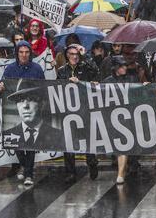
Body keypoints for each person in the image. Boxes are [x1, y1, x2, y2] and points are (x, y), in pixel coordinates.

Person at [0, 40, 45, 186]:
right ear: (17, 53)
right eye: (21, 52)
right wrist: (0, 88)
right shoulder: (10, 69)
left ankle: (29, 174)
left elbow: (43, 88)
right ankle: (25, 167)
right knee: (17, 144)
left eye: (26, 52)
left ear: (30, 53)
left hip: (32, 111)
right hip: (13, 112)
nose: (24, 55)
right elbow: (4, 90)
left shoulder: (37, 69)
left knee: (30, 144)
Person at [56, 44, 100, 181]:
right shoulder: (62, 71)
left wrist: (85, 54)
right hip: (68, 110)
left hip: (85, 108)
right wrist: (67, 82)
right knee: (68, 141)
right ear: (66, 55)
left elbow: (96, 72)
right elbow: (57, 87)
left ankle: (92, 163)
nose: (74, 56)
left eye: (76, 54)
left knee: (88, 139)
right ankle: (70, 172)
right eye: (71, 54)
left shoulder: (85, 67)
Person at [102, 55, 143, 184]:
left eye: (125, 65)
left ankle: (121, 174)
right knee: (120, 147)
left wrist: (145, 86)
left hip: (129, 118)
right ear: (115, 68)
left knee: (123, 147)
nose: (125, 67)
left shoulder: (132, 78)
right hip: (113, 118)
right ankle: (123, 170)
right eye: (122, 66)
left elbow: (139, 92)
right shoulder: (107, 82)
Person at [2, 79, 64, 150]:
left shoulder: (58, 136)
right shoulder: (6, 135)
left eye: (31, 99)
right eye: (21, 100)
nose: (25, 106)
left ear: (42, 104)